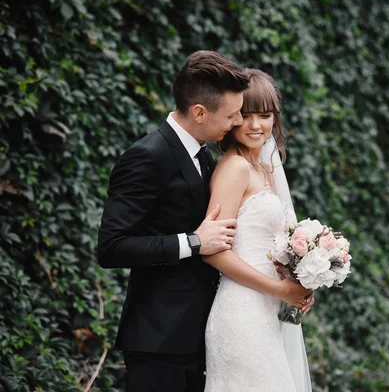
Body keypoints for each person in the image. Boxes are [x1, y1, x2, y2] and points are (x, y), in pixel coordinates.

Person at [97, 51, 312, 392]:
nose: (238, 123)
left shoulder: (206, 156)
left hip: (205, 330)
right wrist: (193, 242)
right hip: (159, 339)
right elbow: (111, 247)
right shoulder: (147, 156)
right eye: (233, 115)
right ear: (200, 112)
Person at [203, 69, 312, 391]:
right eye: (245, 116)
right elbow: (213, 251)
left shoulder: (266, 168)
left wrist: (302, 281)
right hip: (242, 315)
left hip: (267, 313)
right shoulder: (234, 168)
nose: (255, 126)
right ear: (232, 118)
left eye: (264, 116)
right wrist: (278, 290)